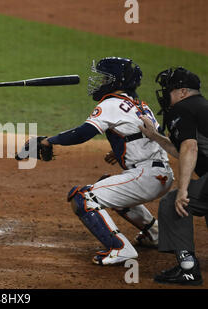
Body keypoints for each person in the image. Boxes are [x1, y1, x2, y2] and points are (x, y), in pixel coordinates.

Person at [39, 57, 174, 265]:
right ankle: (155, 233)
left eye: (104, 78)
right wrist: (121, 149)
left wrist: (50, 140)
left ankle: (119, 248)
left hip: (146, 176)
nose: (100, 82)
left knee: (83, 197)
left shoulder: (112, 103)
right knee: (105, 183)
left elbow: (83, 133)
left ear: (117, 81)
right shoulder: (139, 104)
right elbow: (145, 136)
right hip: (160, 174)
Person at [139, 67, 207, 285]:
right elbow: (183, 150)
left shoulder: (184, 108)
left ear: (183, 92)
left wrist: (183, 190)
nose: (165, 94)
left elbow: (190, 148)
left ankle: (187, 269)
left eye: (169, 90)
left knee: (174, 203)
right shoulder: (200, 107)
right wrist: (155, 137)